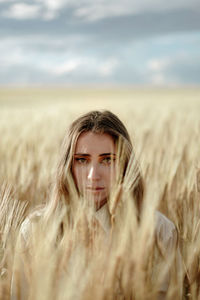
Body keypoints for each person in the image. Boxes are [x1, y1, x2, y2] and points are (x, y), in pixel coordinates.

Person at [11, 110, 182, 299]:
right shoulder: (36, 232)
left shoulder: (159, 232)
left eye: (107, 160)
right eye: (82, 160)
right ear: (68, 166)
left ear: (126, 165)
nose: (93, 175)